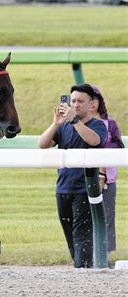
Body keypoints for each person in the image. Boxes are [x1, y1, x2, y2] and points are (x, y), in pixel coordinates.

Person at [38, 84, 107, 268]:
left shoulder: (98, 125)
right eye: (73, 101)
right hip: (63, 188)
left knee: (81, 235)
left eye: (80, 101)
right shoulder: (64, 126)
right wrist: (56, 123)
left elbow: (94, 140)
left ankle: (83, 270)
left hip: (85, 190)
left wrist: (75, 121)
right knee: (71, 236)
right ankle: (82, 267)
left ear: (91, 104)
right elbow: (42, 144)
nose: (75, 105)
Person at [90, 85, 124, 254]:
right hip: (85, 178)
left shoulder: (110, 124)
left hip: (108, 180)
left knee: (108, 217)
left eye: (95, 99)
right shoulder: (77, 124)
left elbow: (119, 147)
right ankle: (87, 253)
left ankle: (106, 253)